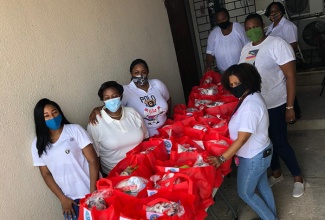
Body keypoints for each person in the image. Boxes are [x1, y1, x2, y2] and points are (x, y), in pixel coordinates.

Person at [239, 13, 304, 197]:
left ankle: (297, 178)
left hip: (276, 103)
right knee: (265, 143)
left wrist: (290, 107)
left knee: (280, 142)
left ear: (263, 26)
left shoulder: (276, 44)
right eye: (248, 28)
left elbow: (291, 75)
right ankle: (276, 174)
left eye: (255, 26)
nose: (252, 31)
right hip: (256, 107)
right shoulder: (245, 49)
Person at [208, 63, 277, 220]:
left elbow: (242, 138)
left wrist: (221, 158)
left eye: (237, 83)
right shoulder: (250, 96)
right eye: (231, 84)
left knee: (245, 193)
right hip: (262, 150)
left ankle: (270, 218)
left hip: (254, 156)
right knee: (263, 185)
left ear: (248, 80)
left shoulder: (250, 106)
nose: (234, 87)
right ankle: (272, 217)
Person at [31, 98, 99, 220]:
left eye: (54, 112)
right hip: (70, 201)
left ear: (60, 112)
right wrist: (62, 199)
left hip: (92, 192)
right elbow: (46, 174)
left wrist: (93, 192)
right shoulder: (37, 143)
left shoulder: (74, 130)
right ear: (40, 120)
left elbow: (93, 160)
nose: (52, 117)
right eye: (46, 116)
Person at [89, 59, 171, 137]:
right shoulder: (126, 91)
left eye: (144, 72)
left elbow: (168, 100)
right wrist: (97, 109)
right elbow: (113, 105)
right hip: (147, 135)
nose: (140, 75)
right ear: (131, 73)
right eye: (136, 73)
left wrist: (169, 119)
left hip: (167, 130)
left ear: (148, 72)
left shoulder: (157, 84)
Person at [87, 81, 149, 176]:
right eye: (107, 98)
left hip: (142, 167)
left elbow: (146, 138)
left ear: (120, 96)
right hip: (115, 175)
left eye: (114, 96)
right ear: (103, 100)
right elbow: (95, 156)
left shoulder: (132, 113)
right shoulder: (96, 122)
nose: (111, 100)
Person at [265, 1, 302, 121]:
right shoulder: (269, 28)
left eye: (276, 11)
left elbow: (293, 45)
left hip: (285, 61)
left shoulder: (288, 26)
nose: (273, 14)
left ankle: (294, 112)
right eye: (271, 12)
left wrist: (284, 59)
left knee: (289, 85)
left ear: (281, 11)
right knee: (283, 87)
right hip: (275, 63)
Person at [205, 7, 249, 73]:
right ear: (216, 21)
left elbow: (248, 44)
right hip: (223, 73)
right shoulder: (213, 34)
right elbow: (209, 52)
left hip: (241, 70)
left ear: (228, 17)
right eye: (219, 20)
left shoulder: (237, 28)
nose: (222, 22)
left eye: (224, 19)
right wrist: (208, 65)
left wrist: (249, 64)